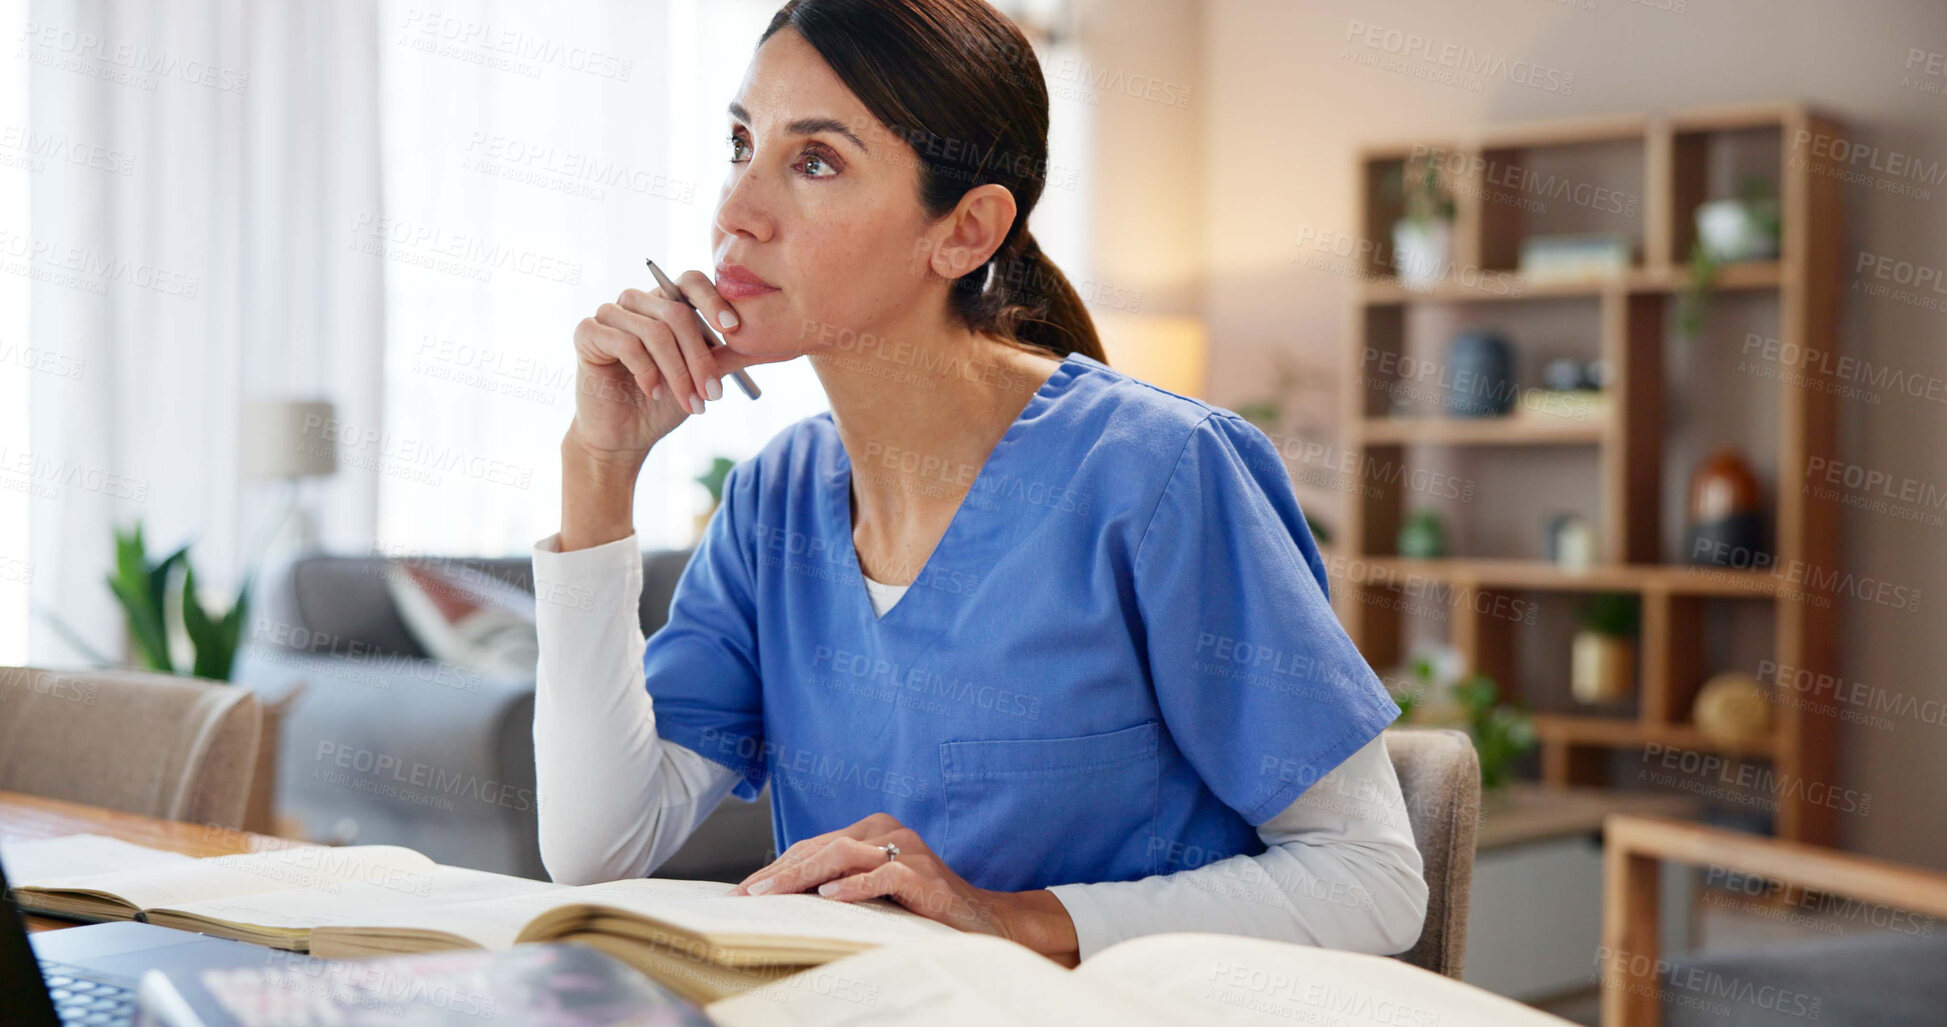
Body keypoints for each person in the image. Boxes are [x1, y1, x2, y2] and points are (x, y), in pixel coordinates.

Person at [533, 0, 1427, 967]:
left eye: (817, 160)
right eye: (742, 142)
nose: (736, 213)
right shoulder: (775, 500)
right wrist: (599, 465)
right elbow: (595, 848)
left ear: (964, 232)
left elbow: (1368, 879)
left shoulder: (1157, 474)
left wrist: (1008, 918)